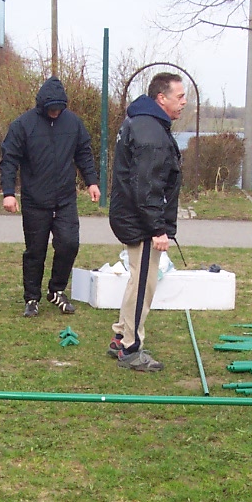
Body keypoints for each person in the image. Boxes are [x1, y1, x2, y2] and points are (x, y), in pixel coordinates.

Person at [0, 76, 100, 318]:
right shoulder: (23, 125)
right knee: (35, 251)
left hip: (65, 198)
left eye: (59, 108)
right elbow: (9, 159)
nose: (55, 112)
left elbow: (84, 153)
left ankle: (56, 290)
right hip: (35, 199)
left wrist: (91, 181)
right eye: (51, 108)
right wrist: (9, 193)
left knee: (69, 244)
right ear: (42, 105)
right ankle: (31, 297)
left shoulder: (73, 123)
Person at [107, 72, 185, 372]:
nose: (184, 102)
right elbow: (146, 186)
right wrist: (158, 229)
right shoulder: (150, 133)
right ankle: (130, 348)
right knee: (143, 285)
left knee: (137, 280)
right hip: (139, 220)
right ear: (161, 98)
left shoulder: (143, 123)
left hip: (133, 215)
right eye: (180, 96)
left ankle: (120, 336)